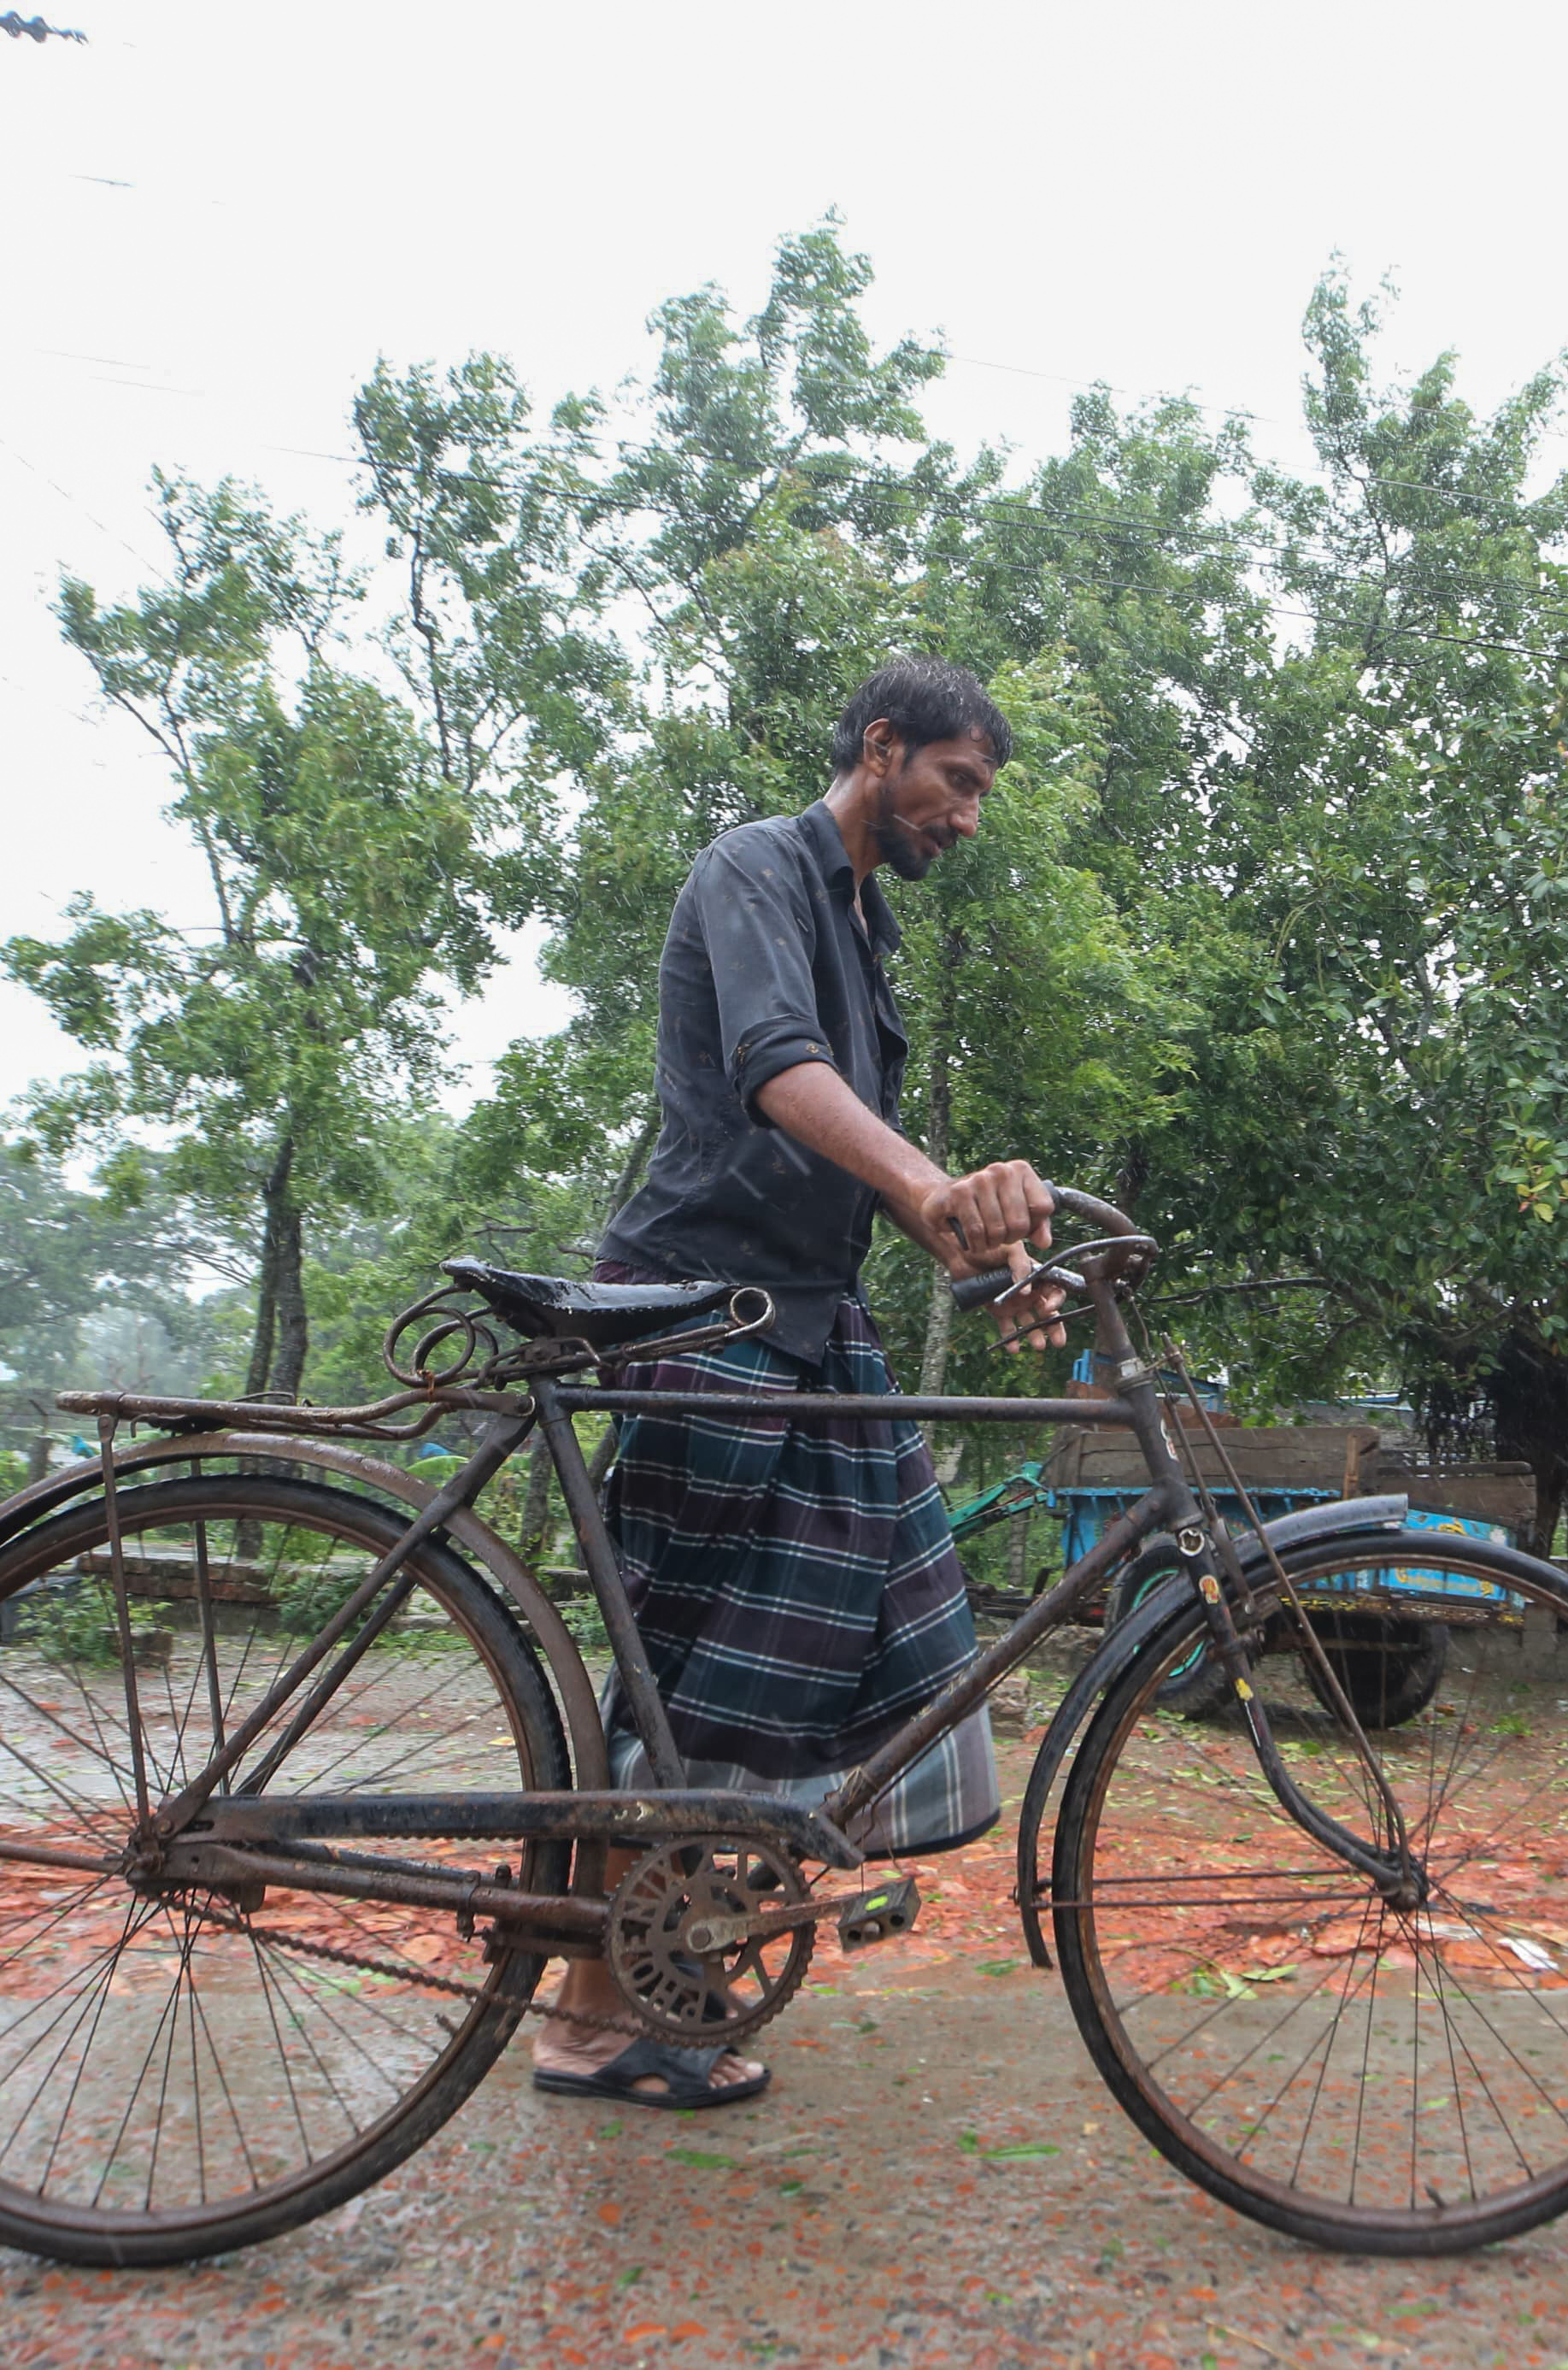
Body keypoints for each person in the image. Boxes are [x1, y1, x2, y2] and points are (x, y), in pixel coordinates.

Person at [530, 657, 1063, 2112]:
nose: (966, 816)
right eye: (956, 781)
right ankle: (594, 2011)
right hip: (701, 1311)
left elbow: (870, 1161)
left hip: (808, 1322)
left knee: (875, 1643)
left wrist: (989, 1257)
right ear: (881, 749)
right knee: (690, 1683)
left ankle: (643, 1975)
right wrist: (940, 1183)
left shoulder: (861, 920)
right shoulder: (754, 868)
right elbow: (777, 1070)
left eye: (977, 796)